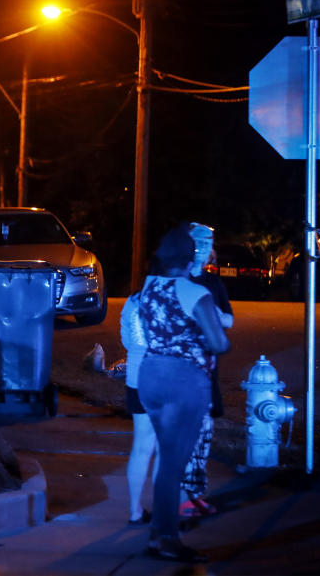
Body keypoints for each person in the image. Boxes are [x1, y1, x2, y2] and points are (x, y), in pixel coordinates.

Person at [137, 223, 229, 563]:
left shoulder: (148, 288)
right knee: (173, 465)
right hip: (183, 380)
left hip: (151, 375)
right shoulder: (195, 293)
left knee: (167, 460)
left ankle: (157, 533)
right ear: (191, 260)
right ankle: (167, 539)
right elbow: (220, 342)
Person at [179, 224, 233, 518]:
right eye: (196, 240)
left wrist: (210, 315)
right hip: (182, 371)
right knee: (186, 435)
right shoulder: (177, 279)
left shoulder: (214, 283)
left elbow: (228, 320)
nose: (202, 246)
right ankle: (182, 498)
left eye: (207, 240)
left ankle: (196, 493)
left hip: (207, 369)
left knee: (204, 436)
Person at [121, 284, 157, 526]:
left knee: (141, 446)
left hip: (135, 377)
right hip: (163, 377)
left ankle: (135, 510)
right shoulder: (171, 296)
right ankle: (163, 507)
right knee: (164, 449)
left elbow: (126, 339)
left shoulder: (132, 301)